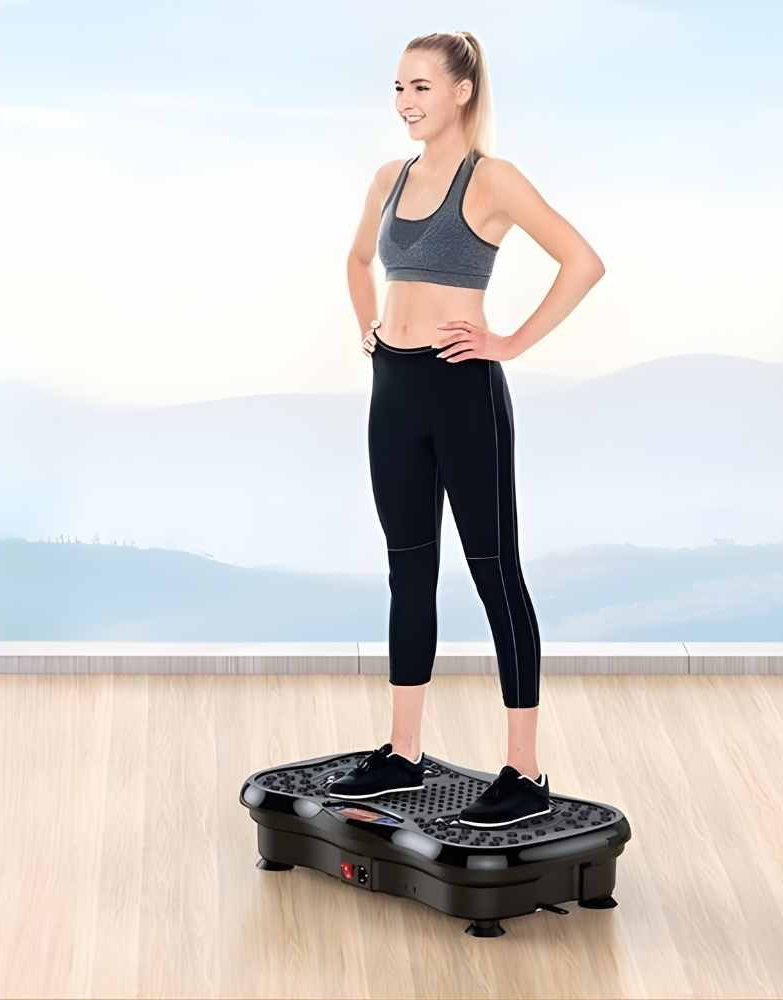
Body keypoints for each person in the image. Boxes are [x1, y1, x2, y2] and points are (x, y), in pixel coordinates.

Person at [333, 31, 604, 827]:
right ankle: (402, 755)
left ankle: (524, 769)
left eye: (420, 87)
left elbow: (582, 261)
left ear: (460, 91)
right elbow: (356, 262)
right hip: (395, 390)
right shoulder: (389, 178)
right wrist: (367, 328)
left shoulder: (493, 181)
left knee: (494, 572)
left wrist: (510, 342)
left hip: (463, 392)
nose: (405, 103)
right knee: (407, 571)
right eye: (397, 88)